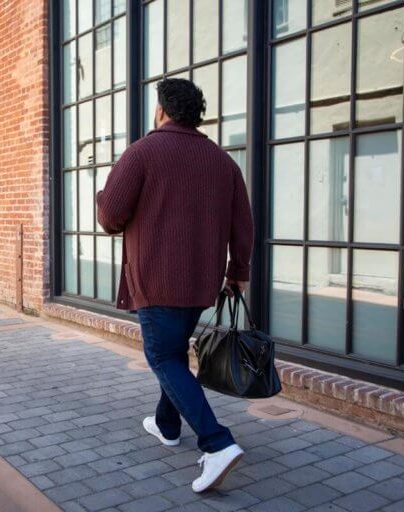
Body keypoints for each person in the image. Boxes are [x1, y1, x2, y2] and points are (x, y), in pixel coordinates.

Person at [96, 78, 253, 493]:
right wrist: (238, 271)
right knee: (174, 354)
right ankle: (167, 425)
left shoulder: (144, 151)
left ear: (162, 110)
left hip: (157, 279)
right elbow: (243, 225)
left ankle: (217, 443)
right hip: (201, 283)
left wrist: (102, 196)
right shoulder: (223, 162)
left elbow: (111, 217)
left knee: (163, 358)